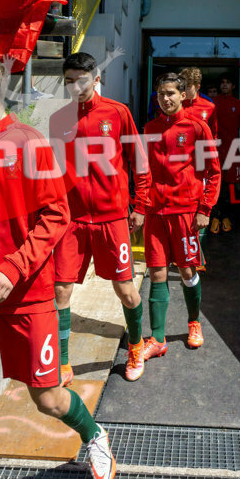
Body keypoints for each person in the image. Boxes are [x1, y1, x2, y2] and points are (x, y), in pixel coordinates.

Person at [0, 50, 117, 479]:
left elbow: (57, 215)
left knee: (49, 398)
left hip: (25, 295)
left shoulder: (27, 142)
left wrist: (12, 268)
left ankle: (94, 436)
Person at [48, 53, 150, 384]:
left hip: (111, 219)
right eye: (69, 81)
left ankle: (135, 346)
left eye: (81, 80)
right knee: (61, 290)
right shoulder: (59, 119)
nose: (75, 87)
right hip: (72, 221)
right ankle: (63, 362)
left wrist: (140, 205)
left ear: (95, 79)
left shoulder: (117, 113)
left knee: (125, 290)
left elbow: (139, 161)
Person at [138, 72, 221, 356]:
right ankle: (158, 338)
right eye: (161, 94)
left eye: (171, 93)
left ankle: (194, 322)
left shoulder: (198, 127)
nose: (165, 98)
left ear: (183, 95)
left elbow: (213, 172)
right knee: (156, 272)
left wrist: (205, 209)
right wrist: (140, 206)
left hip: (186, 212)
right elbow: (143, 171)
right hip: (155, 213)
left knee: (187, 270)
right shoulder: (149, 128)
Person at [209, 75, 240, 234]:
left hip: (232, 150)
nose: (224, 85)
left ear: (233, 86)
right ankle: (214, 216)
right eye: (222, 82)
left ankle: (226, 216)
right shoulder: (212, 103)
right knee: (214, 183)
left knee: (230, 185)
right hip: (214, 149)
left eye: (227, 82)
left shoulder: (239, 105)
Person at [178, 67, 218, 138]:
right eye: (182, 86)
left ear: (197, 87)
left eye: (188, 86)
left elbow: (213, 135)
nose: (184, 89)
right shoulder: (175, 105)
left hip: (201, 148)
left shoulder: (209, 106)